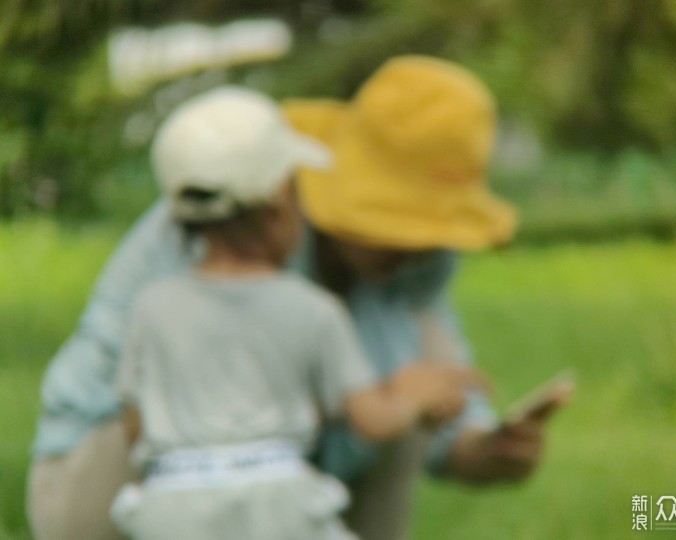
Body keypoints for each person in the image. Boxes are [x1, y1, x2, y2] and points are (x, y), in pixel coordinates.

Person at [28, 56, 558, 540]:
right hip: (128, 467)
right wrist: (386, 399)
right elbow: (185, 409)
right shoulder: (221, 212)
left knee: (410, 381)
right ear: (281, 203)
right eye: (398, 223)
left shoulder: (416, 260)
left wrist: (477, 448)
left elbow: (430, 363)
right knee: (394, 395)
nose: (416, 246)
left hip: (272, 483)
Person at [109, 87, 474, 540]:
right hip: (280, 504)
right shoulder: (313, 309)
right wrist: (411, 397)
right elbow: (370, 419)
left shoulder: (151, 305)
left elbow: (134, 423)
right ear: (281, 206)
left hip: (171, 506)